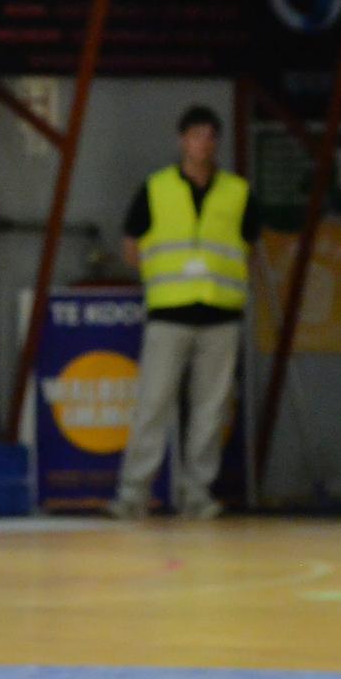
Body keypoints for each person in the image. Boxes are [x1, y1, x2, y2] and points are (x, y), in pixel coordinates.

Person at [112, 106, 257, 521]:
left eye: (211, 135)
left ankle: (196, 493)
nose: (204, 143)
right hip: (170, 313)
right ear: (182, 140)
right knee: (153, 405)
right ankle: (133, 494)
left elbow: (249, 246)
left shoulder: (237, 193)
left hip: (220, 315)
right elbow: (131, 243)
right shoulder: (156, 188)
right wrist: (161, 279)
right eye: (197, 134)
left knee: (210, 412)